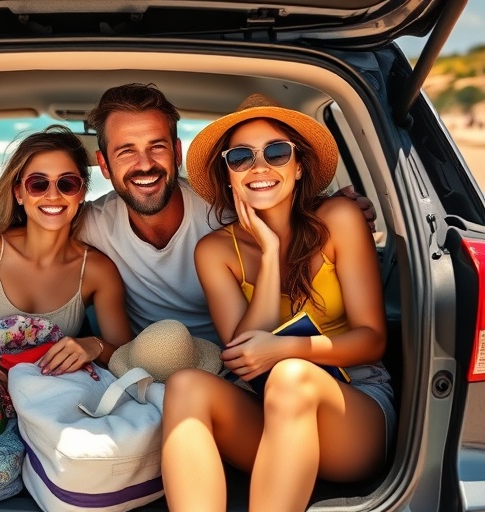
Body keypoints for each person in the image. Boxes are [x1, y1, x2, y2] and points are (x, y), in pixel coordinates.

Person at [0, 83, 375, 349]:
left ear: (176, 152)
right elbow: (10, 238)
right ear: (104, 163)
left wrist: (334, 211)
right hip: (146, 362)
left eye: (156, 147)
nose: (143, 165)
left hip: (239, 356)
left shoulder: (226, 204)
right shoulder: (90, 222)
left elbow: (284, 213)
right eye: (126, 151)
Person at [161, 94, 395, 511]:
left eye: (276, 152)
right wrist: (268, 254)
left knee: (290, 376)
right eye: (241, 158)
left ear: (299, 165)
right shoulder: (215, 251)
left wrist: (287, 349)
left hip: (353, 409)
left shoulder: (339, 218)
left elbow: (372, 339)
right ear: (228, 175)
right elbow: (243, 357)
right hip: (269, 417)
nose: (260, 167)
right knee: (184, 385)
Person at [0, 125, 132, 373]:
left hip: (51, 400)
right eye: (38, 184)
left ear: (81, 192)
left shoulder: (98, 270)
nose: (53, 195)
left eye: (67, 183)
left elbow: (126, 358)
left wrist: (95, 346)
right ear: (19, 192)